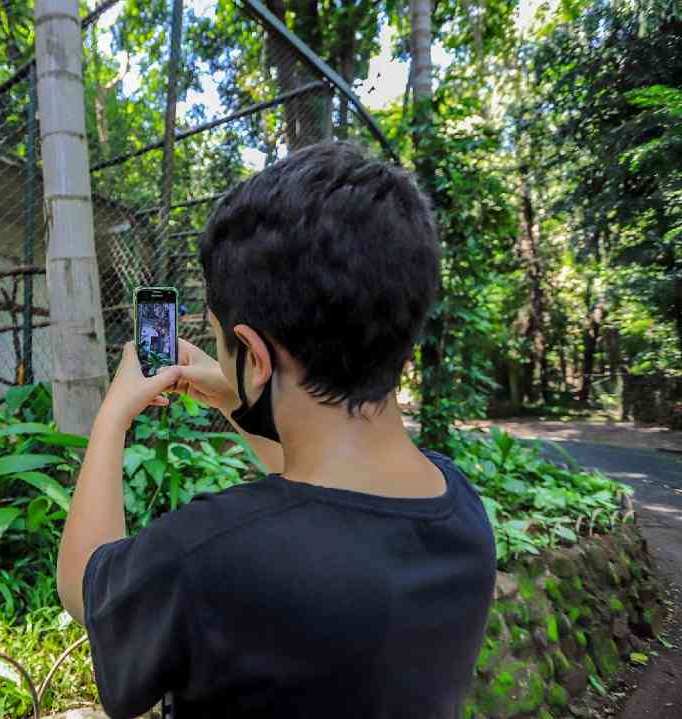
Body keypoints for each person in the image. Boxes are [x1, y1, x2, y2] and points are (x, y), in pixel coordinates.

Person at [56, 142, 496, 718]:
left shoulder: (212, 554)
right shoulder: (462, 513)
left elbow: (87, 586)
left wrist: (113, 415)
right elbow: (320, 504)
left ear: (256, 358)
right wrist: (235, 396)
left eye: (217, 335)